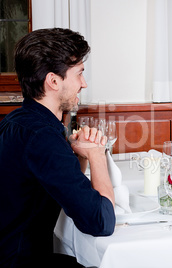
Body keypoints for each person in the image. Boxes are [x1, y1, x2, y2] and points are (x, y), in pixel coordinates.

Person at [0, 28, 115, 267]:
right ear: (53, 81)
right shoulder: (43, 137)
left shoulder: (16, 121)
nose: (83, 84)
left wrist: (77, 153)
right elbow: (101, 221)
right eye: (79, 74)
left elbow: (64, 187)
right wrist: (97, 154)